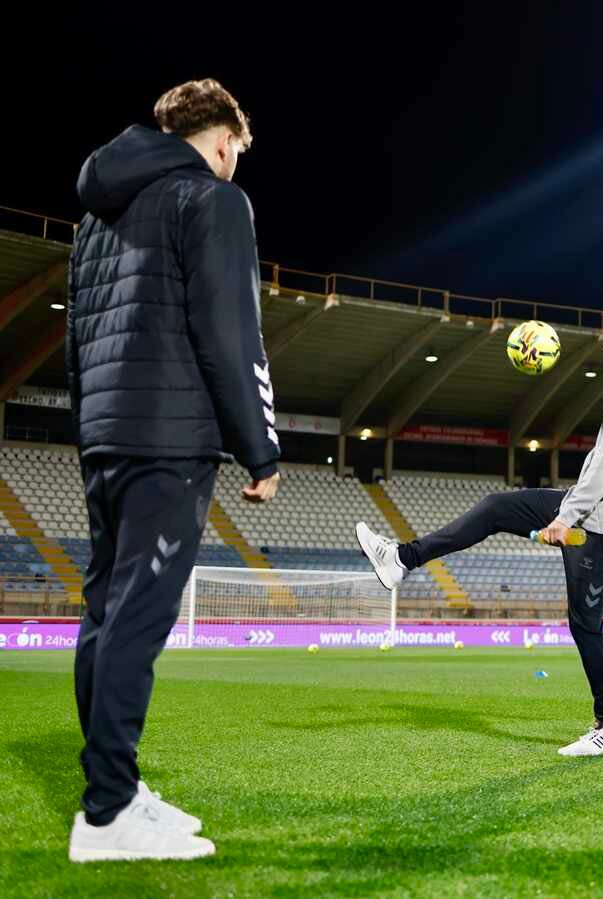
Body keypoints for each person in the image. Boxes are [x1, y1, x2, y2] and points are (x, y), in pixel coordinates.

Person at [66, 79, 281, 862]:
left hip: (104, 434)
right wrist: (259, 446)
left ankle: (115, 788)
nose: (235, 165)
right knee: (136, 620)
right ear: (224, 141)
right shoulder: (213, 198)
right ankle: (107, 813)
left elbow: (79, 335)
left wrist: (89, 428)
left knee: (103, 614)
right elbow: (230, 329)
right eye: (237, 154)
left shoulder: (99, 210)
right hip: (168, 437)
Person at [357, 306, 603, 755]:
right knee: (496, 508)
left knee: (586, 625)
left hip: (597, 528)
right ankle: (401, 559)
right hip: (589, 515)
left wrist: (567, 518)